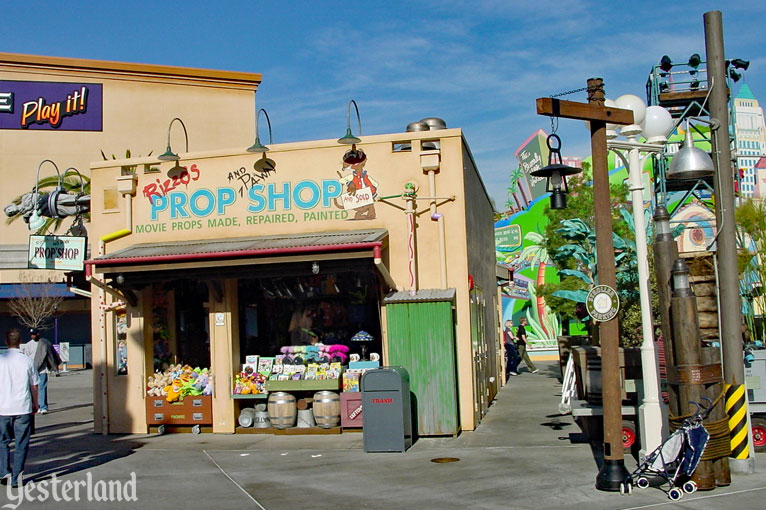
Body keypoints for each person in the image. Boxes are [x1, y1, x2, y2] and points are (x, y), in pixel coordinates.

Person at [1, 328, 40, 488]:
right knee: (21, 443)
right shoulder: (27, 361)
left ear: (6, 342)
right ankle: (17, 477)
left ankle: (4, 471)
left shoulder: (1, 360)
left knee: (2, 442)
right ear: (20, 343)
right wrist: (35, 403)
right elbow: (34, 385)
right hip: (22, 407)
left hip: (3, 408)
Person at [21, 328, 60, 414]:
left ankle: (43, 406)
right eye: (31, 335)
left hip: (42, 370)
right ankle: (36, 405)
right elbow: (26, 357)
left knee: (42, 387)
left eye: (34, 334)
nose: (33, 336)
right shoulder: (28, 345)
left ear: (38, 334)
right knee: (33, 388)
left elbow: (50, 355)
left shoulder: (44, 343)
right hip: (32, 370)